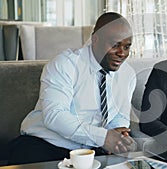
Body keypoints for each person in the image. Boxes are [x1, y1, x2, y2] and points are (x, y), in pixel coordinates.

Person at [8, 12, 137, 165]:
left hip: (92, 149)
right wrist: (103, 137)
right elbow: (55, 116)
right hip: (45, 144)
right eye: (115, 45)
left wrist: (119, 136)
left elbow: (118, 118)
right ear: (95, 39)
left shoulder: (128, 75)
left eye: (127, 47)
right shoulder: (65, 65)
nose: (122, 53)